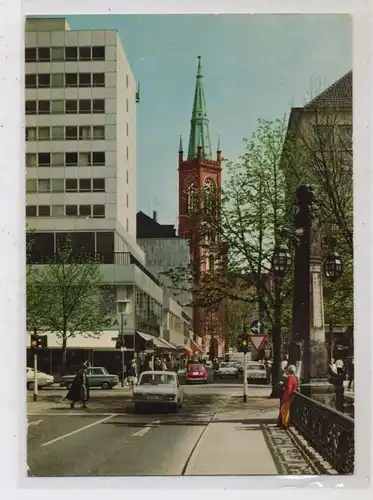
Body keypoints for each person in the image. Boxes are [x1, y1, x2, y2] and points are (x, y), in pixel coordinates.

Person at [279, 364, 298, 429]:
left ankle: (285, 424)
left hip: (288, 397)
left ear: (288, 371)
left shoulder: (290, 378)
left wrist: (285, 398)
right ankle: (285, 423)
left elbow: (289, 389)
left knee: (284, 410)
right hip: (290, 396)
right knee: (285, 410)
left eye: (287, 370)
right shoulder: (294, 378)